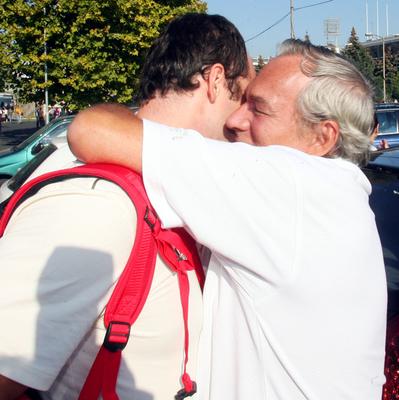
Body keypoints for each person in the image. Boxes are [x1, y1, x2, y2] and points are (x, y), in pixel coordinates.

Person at [68, 39, 387, 400]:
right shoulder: (336, 195)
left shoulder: (289, 184)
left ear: (322, 137)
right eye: (242, 100)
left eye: (259, 109)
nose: (234, 120)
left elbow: (91, 129)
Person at [0, 13, 253, 400]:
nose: (243, 120)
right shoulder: (96, 204)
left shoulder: (165, 179)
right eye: (246, 97)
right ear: (216, 81)